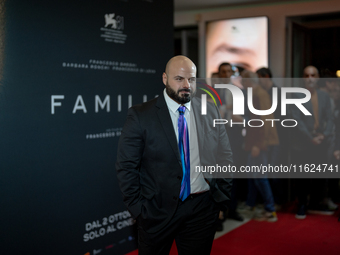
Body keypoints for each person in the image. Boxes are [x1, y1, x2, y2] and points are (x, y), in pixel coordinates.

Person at [116, 56, 233, 255]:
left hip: (202, 209)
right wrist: (139, 210)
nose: (186, 85)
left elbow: (225, 155)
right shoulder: (141, 115)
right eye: (179, 78)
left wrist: (219, 197)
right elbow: (127, 166)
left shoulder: (209, 109)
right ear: (164, 78)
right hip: (156, 211)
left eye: (191, 79)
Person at [291, 65, 334, 219]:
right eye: (307, 75)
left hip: (320, 140)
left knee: (319, 175)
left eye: (313, 75)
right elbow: (297, 120)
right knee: (302, 177)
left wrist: (324, 134)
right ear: (303, 78)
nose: (310, 78)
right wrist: (311, 138)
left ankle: (316, 203)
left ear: (317, 78)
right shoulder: (296, 96)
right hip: (303, 143)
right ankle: (302, 204)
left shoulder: (324, 96)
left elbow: (330, 118)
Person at [242, 70, 279, 222]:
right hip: (258, 141)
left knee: (260, 176)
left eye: (244, 81)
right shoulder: (256, 93)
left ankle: (270, 209)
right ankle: (252, 204)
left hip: (261, 142)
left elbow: (265, 120)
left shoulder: (259, 94)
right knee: (254, 175)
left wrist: (259, 144)